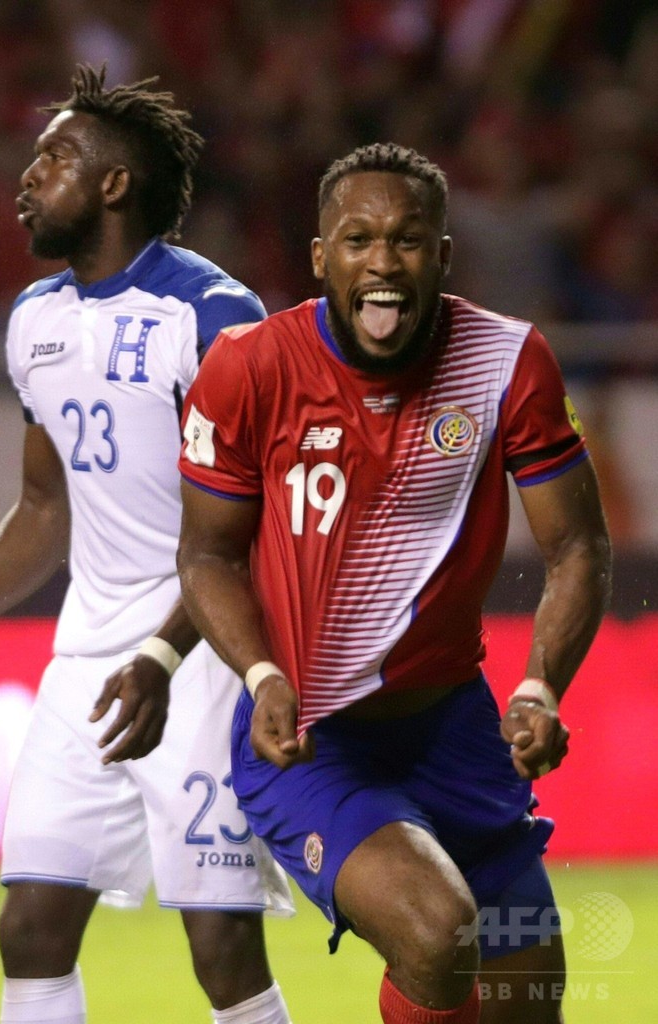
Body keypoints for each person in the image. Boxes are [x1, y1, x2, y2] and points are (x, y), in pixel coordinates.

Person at [176, 142, 612, 1024]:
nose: (382, 261)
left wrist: (539, 687)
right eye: (358, 239)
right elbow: (207, 556)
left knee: (528, 1001)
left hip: (455, 731)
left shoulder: (506, 361)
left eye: (407, 240)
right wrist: (260, 673)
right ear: (320, 258)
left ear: (441, 256)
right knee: (437, 932)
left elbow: (577, 547)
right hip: (313, 741)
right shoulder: (249, 365)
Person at [0, 65, 294, 1024]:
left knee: (221, 948)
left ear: (115, 184)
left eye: (56, 158)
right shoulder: (33, 321)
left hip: (201, 655)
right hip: (84, 662)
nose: (29, 177)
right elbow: (44, 506)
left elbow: (257, 524)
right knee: (28, 931)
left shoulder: (212, 318)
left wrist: (168, 655)